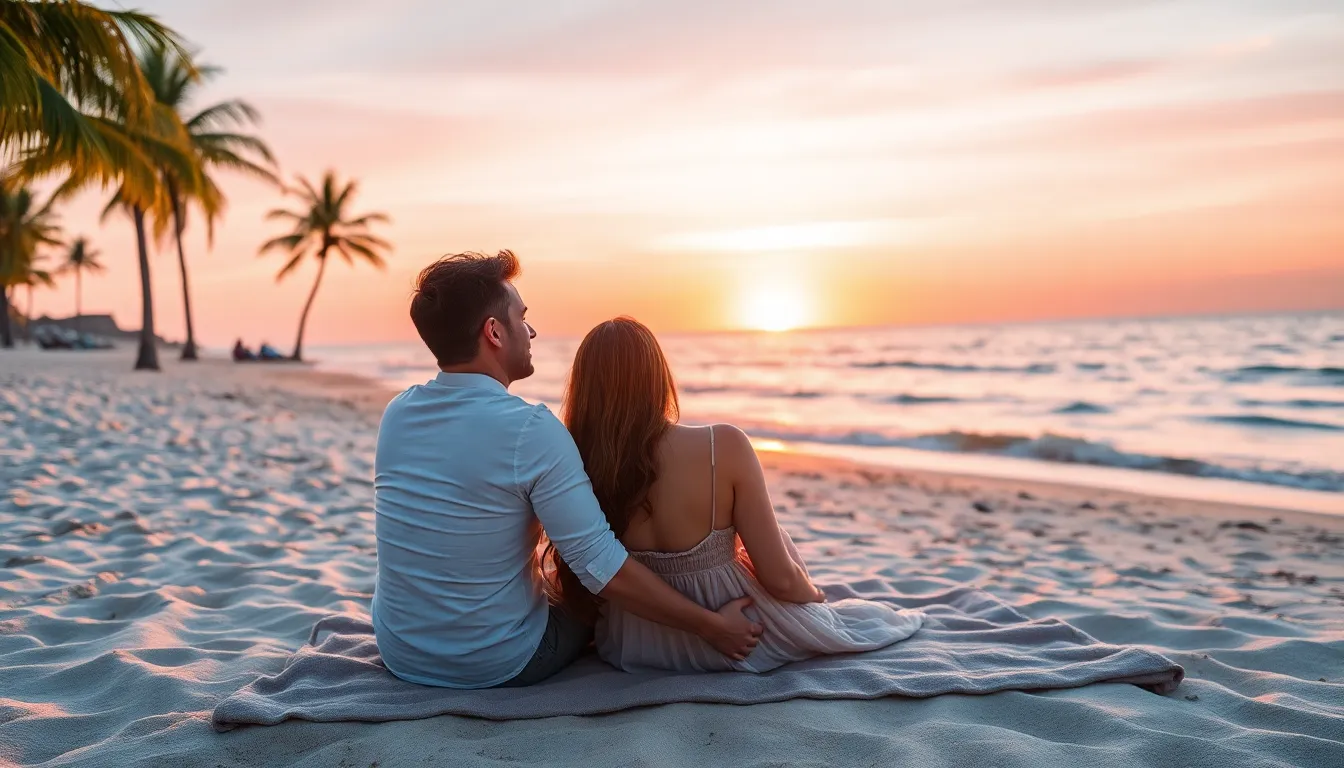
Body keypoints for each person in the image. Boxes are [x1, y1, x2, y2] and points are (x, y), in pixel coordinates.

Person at [371, 252, 763, 689]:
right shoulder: (529, 429)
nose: (531, 331)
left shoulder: (398, 413)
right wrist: (711, 626)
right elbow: (603, 569)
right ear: (495, 332)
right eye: (522, 318)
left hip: (400, 650)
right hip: (496, 662)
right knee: (585, 602)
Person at [554, 317, 924, 673]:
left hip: (631, 644)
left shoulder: (576, 462)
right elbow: (779, 578)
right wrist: (814, 596)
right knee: (791, 553)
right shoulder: (722, 445)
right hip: (734, 635)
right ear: (658, 377)